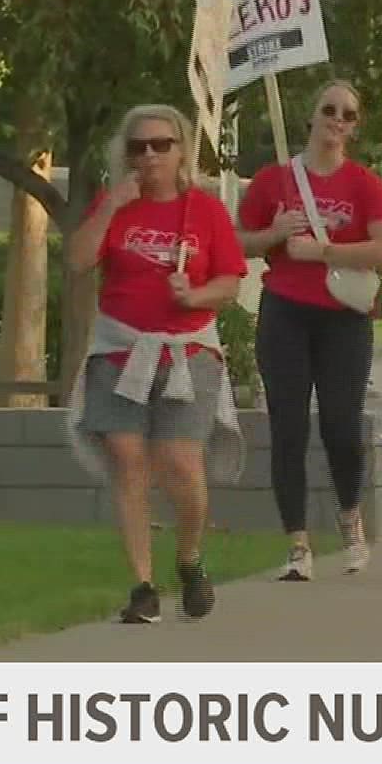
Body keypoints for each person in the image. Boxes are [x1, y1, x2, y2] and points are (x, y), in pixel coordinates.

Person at [65, 104, 247, 624]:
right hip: (119, 349)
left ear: (182, 151)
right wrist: (110, 207)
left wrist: (194, 296)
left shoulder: (205, 212)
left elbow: (231, 284)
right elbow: (77, 261)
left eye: (160, 145)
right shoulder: (115, 204)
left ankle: (189, 559)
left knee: (180, 464)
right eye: (137, 147)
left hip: (186, 353)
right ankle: (143, 586)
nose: (148, 156)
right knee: (127, 457)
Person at [238, 80, 382, 582]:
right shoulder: (273, 181)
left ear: (355, 127)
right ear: (311, 116)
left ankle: (350, 519)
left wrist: (325, 251)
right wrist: (277, 235)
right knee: (288, 426)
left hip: (344, 317)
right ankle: (297, 545)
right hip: (286, 310)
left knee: (340, 423)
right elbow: (238, 241)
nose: (337, 120)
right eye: (328, 110)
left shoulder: (364, 185)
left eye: (348, 115)